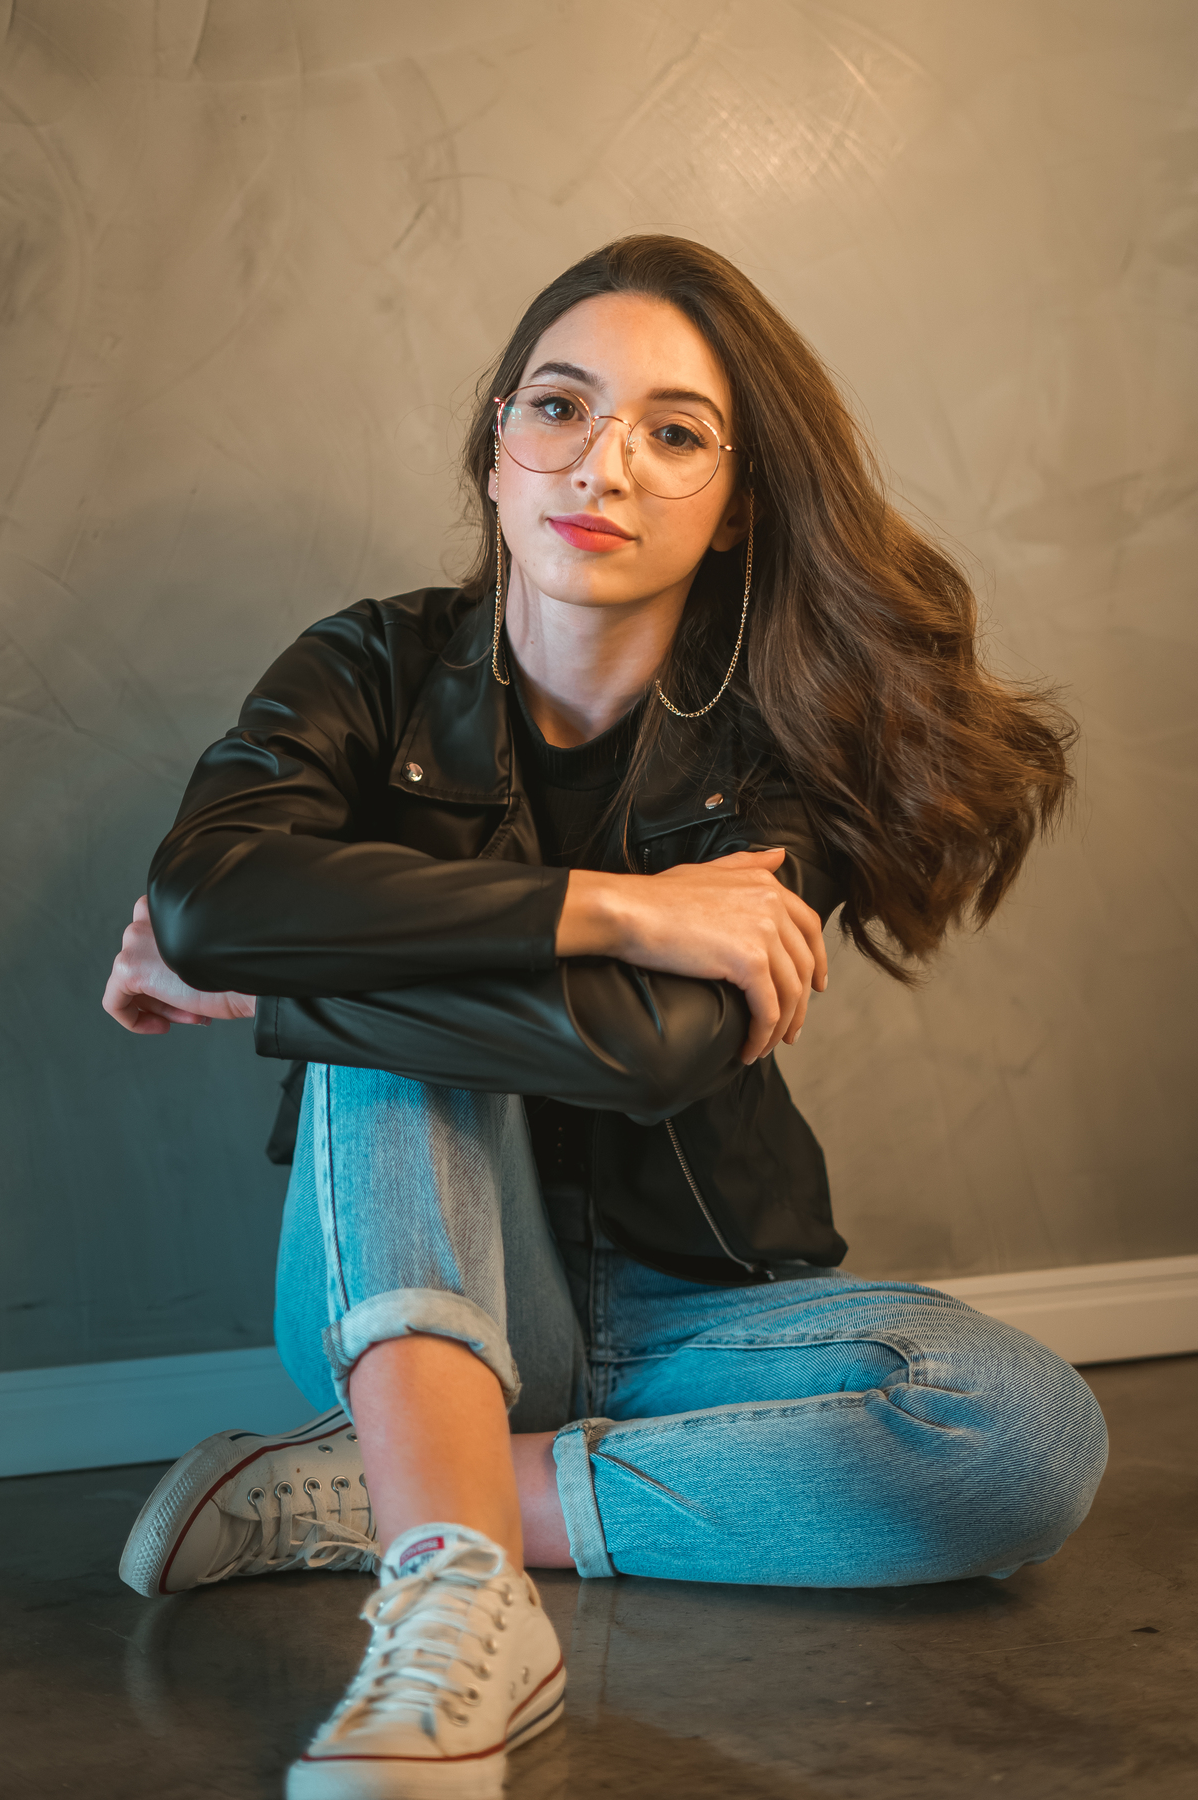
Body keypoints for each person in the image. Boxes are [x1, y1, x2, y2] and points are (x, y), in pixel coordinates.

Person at [102, 235, 1107, 1800]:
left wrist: (273, 985)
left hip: (695, 1306)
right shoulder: (368, 665)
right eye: (561, 408)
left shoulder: (777, 739)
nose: (603, 464)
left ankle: (374, 1497)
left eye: (676, 431)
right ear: (497, 447)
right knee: (381, 1035)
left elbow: (657, 1056)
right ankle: (457, 1594)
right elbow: (205, 899)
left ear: (735, 507)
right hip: (421, 1292)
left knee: (1023, 1437)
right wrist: (618, 907)